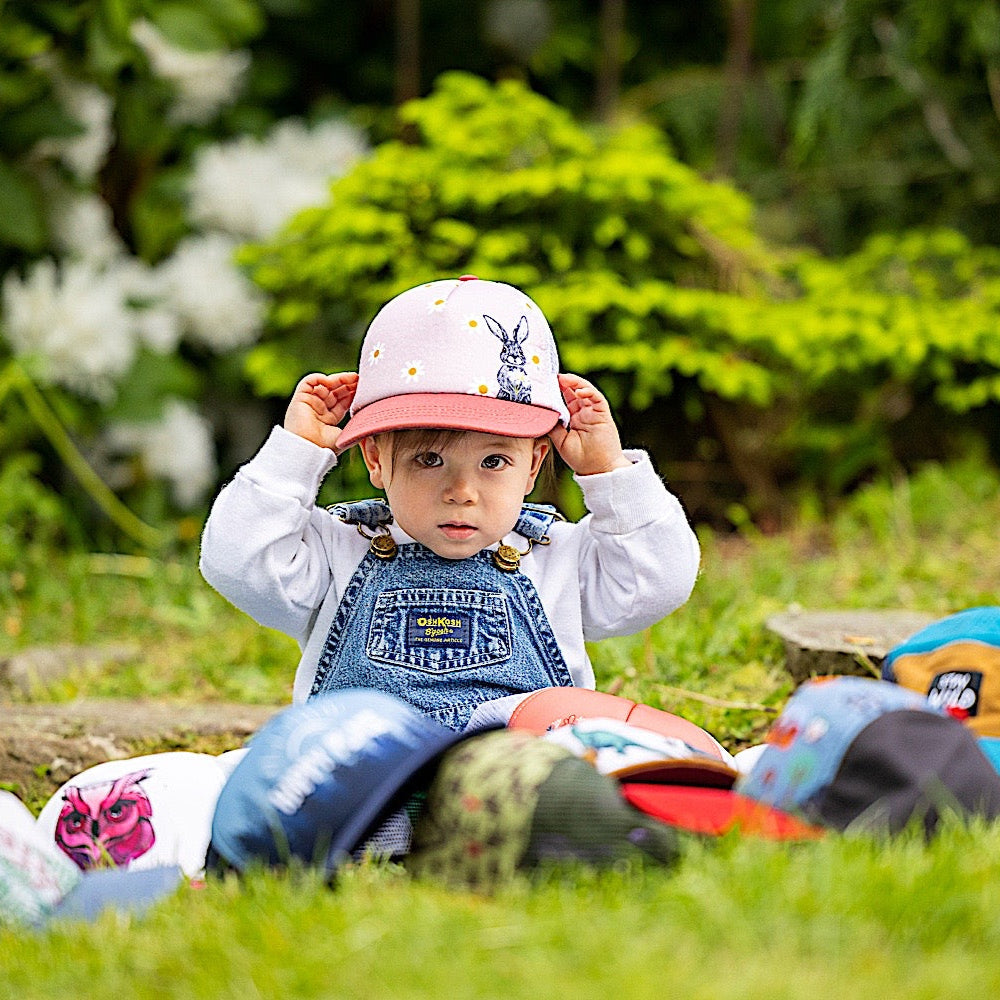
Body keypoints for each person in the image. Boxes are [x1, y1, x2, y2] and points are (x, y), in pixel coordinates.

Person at [200, 275, 700, 731]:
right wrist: (296, 454)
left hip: (506, 782)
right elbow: (237, 563)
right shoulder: (336, 554)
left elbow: (660, 578)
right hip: (367, 781)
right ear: (375, 458)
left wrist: (607, 473)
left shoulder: (559, 559)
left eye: (494, 462)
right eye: (429, 459)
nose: (462, 490)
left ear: (532, 465)